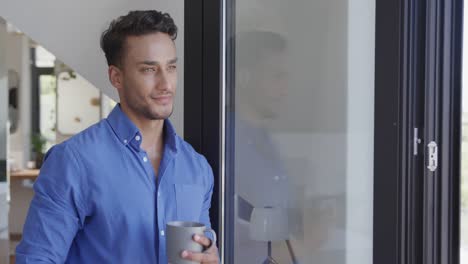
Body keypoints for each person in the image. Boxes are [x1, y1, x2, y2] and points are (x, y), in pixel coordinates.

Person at [16, 10, 219, 264]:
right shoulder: (73, 161)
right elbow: (36, 259)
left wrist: (212, 258)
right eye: (149, 69)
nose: (166, 83)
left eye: (171, 67)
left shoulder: (197, 167)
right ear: (116, 77)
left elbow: (205, 250)